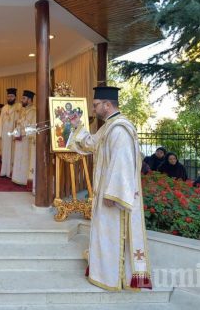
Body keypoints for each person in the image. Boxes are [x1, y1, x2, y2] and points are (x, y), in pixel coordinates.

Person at [68, 86, 152, 291]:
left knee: (113, 235)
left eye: (96, 105)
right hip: (104, 192)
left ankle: (114, 278)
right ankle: (104, 273)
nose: (94, 109)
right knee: (104, 235)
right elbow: (90, 144)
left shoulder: (120, 129)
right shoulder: (108, 127)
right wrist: (78, 126)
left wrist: (112, 194)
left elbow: (121, 164)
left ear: (107, 104)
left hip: (112, 196)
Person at [10, 90, 36, 187]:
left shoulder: (34, 111)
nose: (22, 100)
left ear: (30, 99)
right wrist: (16, 133)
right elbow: (19, 123)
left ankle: (24, 179)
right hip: (19, 138)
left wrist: (22, 134)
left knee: (24, 159)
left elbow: (33, 127)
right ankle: (17, 178)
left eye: (24, 98)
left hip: (26, 140)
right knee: (18, 158)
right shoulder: (23, 110)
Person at [0, 88, 22, 178]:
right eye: (8, 96)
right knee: (5, 152)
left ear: (15, 97)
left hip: (15, 133)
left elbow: (21, 120)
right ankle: (4, 171)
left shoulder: (19, 106)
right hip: (5, 133)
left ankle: (12, 173)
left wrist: (19, 133)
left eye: (11, 96)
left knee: (14, 152)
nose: (9, 98)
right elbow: (0, 122)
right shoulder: (4, 108)